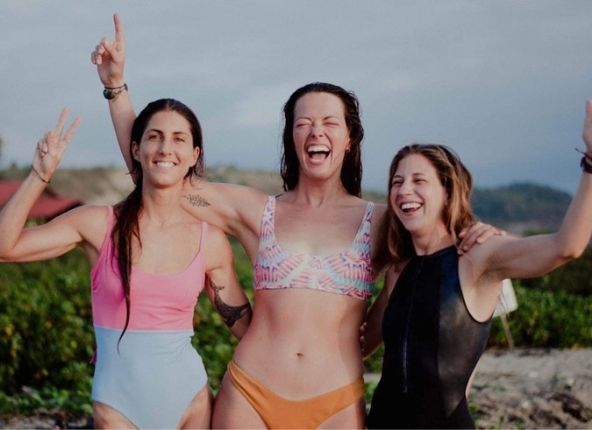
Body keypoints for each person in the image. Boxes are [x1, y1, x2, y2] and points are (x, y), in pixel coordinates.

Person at [90, 14, 496, 428]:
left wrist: (480, 233)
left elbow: (440, 236)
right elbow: (160, 169)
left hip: (335, 401)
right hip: (250, 392)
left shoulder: (379, 222)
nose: (315, 131)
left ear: (349, 138)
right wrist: (116, 89)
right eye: (303, 123)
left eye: (329, 123)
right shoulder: (256, 211)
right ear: (292, 139)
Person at [0, 102, 251, 429]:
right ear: (136, 148)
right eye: (155, 137)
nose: (165, 148)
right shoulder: (98, 224)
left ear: (194, 154)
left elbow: (243, 325)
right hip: (117, 406)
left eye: (178, 139)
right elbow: (6, 248)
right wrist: (39, 175)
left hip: (191, 401)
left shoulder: (210, 240)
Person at [363, 101, 592, 429]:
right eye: (397, 182)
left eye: (418, 180)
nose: (404, 191)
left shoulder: (477, 257)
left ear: (446, 190)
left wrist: (591, 162)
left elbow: (565, 247)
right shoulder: (398, 269)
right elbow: (360, 345)